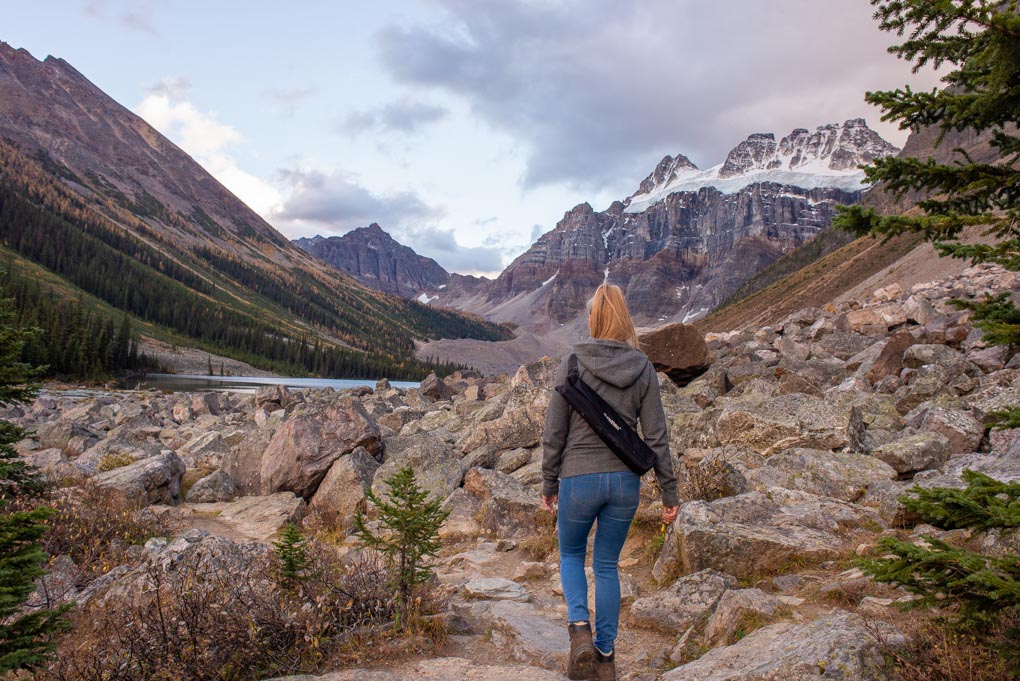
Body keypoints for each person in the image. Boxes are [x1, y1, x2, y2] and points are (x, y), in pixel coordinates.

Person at [541, 283, 680, 681]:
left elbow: (555, 433)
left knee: (570, 554)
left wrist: (549, 481)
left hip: (578, 479)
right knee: (606, 565)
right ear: (624, 318)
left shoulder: (571, 362)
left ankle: (580, 632)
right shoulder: (642, 367)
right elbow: (657, 437)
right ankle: (605, 659)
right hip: (624, 483)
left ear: (593, 319)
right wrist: (669, 491)